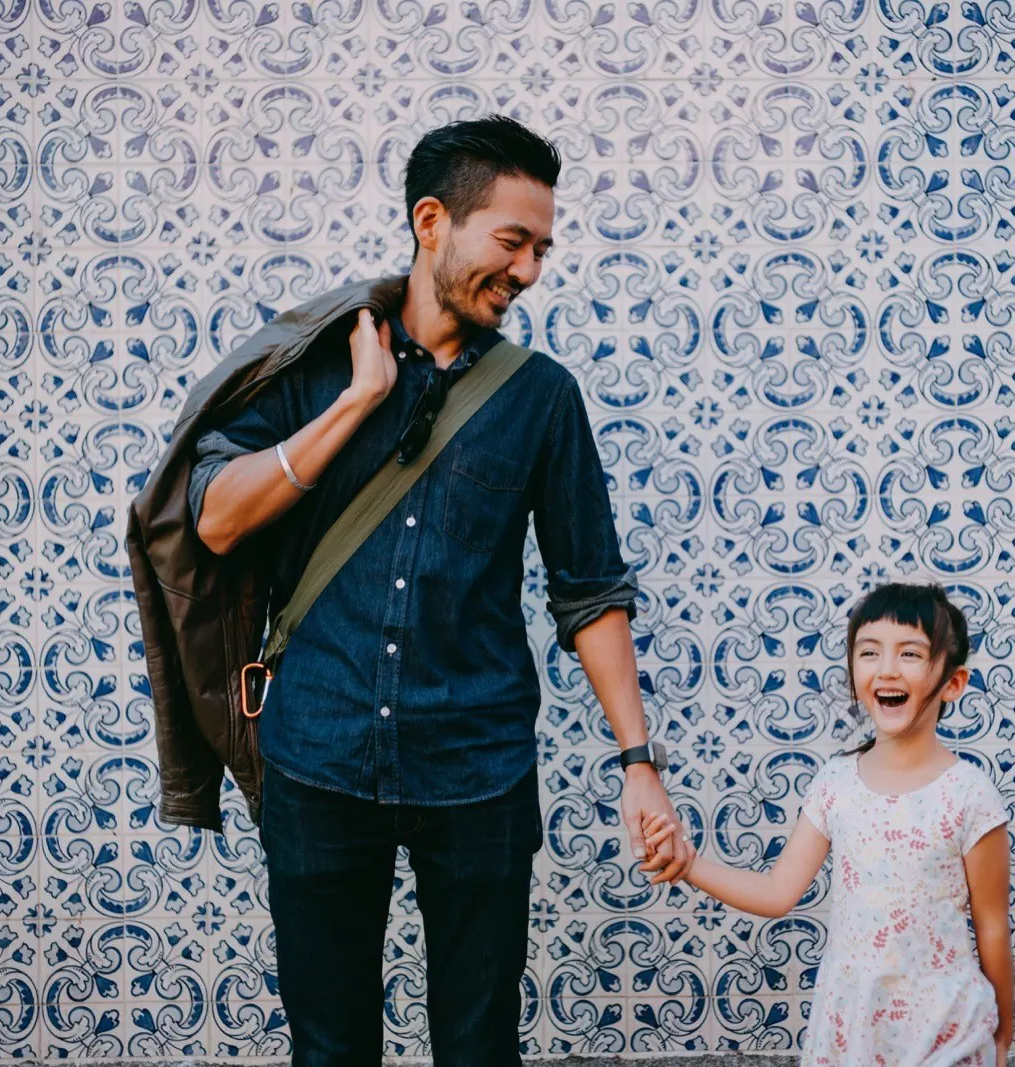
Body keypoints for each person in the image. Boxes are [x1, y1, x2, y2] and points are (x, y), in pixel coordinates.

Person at [188, 115, 693, 1066]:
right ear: (433, 222)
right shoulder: (312, 359)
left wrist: (638, 760)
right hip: (318, 757)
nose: (532, 270)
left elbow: (588, 589)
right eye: (513, 241)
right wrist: (355, 403)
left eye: (543, 248)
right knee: (330, 1048)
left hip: (478, 768)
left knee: (477, 1045)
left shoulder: (543, 396)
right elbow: (214, 517)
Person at [642, 582, 1014, 1067]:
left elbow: (992, 927)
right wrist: (689, 866)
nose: (885, 669)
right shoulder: (836, 782)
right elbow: (778, 892)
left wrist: (1002, 1030)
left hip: (948, 1028)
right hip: (852, 1028)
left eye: (909, 654)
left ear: (953, 683)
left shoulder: (970, 795)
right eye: (869, 652)